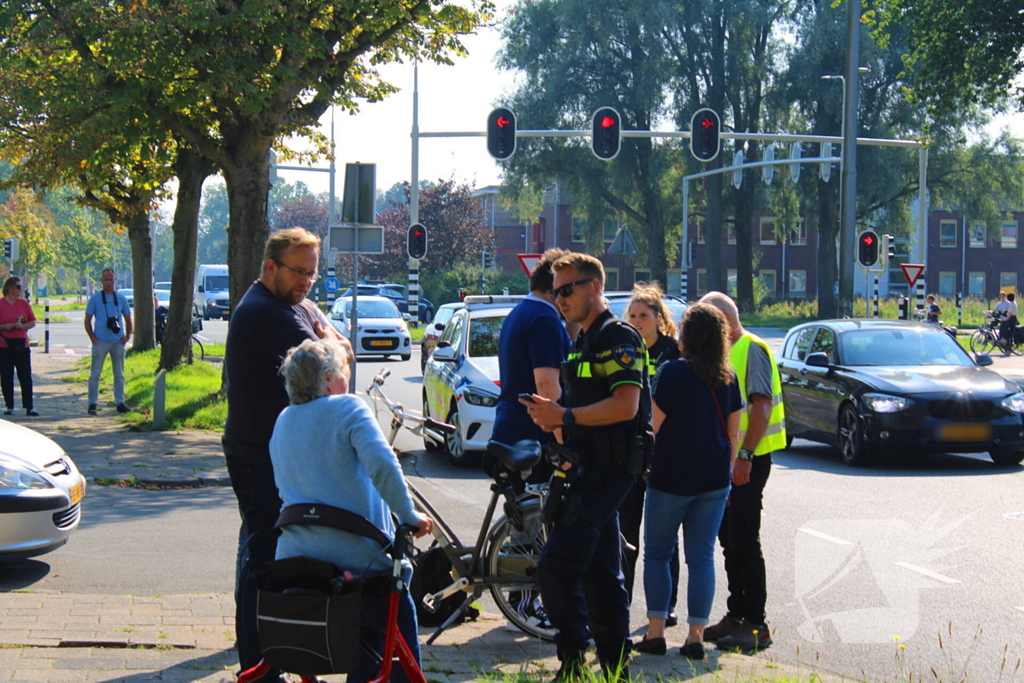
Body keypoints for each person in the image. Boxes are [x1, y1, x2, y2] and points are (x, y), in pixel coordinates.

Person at [223, 227, 352, 683]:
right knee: (261, 559)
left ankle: (260, 657)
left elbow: (340, 351)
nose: (306, 283)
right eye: (298, 272)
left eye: (312, 276)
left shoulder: (292, 304)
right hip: (259, 454)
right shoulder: (267, 313)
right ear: (270, 267)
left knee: (258, 552)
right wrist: (335, 342)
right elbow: (336, 370)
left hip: (268, 450)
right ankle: (257, 668)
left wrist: (333, 340)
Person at [269, 338, 433, 683]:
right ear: (328, 378)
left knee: (365, 623)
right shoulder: (348, 408)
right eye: (344, 371)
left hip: (296, 561)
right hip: (356, 561)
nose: (348, 377)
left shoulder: (283, 420)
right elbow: (383, 466)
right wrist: (409, 516)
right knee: (393, 603)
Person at [521, 252, 649, 682]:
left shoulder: (618, 337)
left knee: (555, 566)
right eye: (555, 292)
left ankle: (573, 662)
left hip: (608, 471)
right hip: (584, 466)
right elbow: (578, 404)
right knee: (600, 574)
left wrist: (564, 417)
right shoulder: (582, 340)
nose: (560, 299)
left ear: (595, 286)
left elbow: (626, 405)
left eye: (567, 289)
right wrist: (554, 415)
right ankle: (616, 668)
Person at [634, 303, 743, 659]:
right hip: (713, 481)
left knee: (658, 554)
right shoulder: (728, 376)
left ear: (688, 335)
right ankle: (695, 637)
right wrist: (725, 472)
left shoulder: (673, 373)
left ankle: (655, 633)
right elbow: (733, 433)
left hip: (670, 478)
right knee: (701, 558)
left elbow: (654, 426)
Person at [489, 247, 572, 630]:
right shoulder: (544, 318)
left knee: (525, 517)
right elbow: (546, 385)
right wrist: (562, 436)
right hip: (533, 432)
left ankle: (519, 602)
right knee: (533, 519)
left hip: (513, 425)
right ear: (557, 289)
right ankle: (523, 605)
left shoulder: (521, 311)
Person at [698, 292, 786, 653]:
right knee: (729, 539)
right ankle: (736, 615)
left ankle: (756, 625)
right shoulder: (720, 353)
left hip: (748, 460)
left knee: (745, 540)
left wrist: (746, 456)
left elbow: (761, 405)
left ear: (726, 321)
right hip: (727, 461)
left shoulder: (752, 349)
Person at [618, 284, 681, 615]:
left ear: (659, 318)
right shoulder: (625, 349)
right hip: (630, 455)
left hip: (666, 456)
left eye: (644, 315)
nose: (638, 321)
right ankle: (621, 603)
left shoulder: (674, 352)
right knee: (626, 535)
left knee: (665, 539)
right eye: (633, 316)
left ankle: (665, 606)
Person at [84, 269, 133, 415]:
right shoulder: (95, 299)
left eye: (111, 279)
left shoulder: (121, 298)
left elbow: (128, 319)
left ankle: (120, 402)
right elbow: (87, 320)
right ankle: (92, 403)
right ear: (101, 281)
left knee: (119, 374)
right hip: (101, 341)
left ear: (115, 280)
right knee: (95, 374)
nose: (108, 282)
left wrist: (127, 336)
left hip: (117, 341)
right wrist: (93, 337)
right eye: (106, 280)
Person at [0, 276, 38, 416]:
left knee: (25, 376)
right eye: (17, 286)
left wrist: (22, 326)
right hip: (4, 346)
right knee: (6, 376)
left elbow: (33, 322)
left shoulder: (24, 304)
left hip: (22, 346)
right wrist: (8, 326)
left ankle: (29, 407)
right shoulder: (1, 304)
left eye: (20, 287)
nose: (20, 289)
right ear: (9, 288)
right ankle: (9, 406)